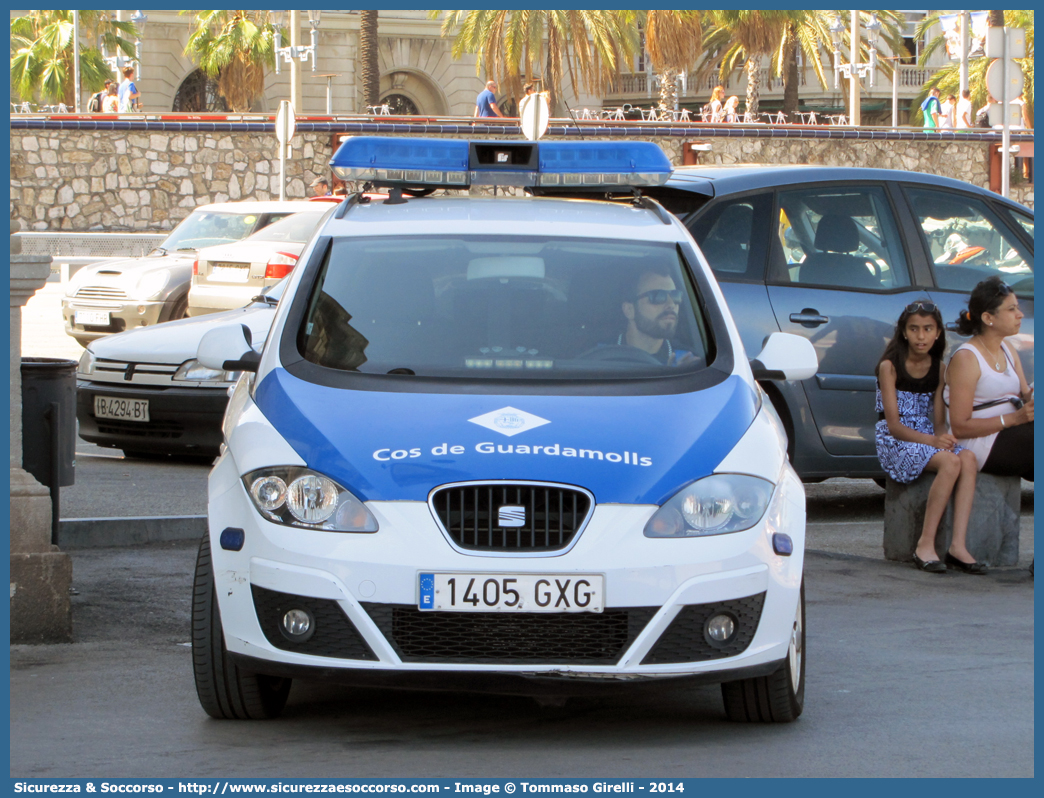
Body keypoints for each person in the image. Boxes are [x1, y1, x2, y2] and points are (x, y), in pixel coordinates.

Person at [875, 300, 979, 574]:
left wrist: (943, 438)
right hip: (896, 440)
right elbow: (894, 425)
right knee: (949, 462)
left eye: (928, 329)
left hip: (927, 436)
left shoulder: (940, 368)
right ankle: (925, 544)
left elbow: (938, 423)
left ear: (938, 333)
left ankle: (957, 545)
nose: (921, 336)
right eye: (914, 329)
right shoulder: (890, 366)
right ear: (904, 332)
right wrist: (935, 443)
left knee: (967, 458)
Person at [944, 276, 1034, 487]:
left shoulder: (1007, 348)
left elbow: (1024, 395)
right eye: (1011, 309)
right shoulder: (967, 358)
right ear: (988, 318)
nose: (1020, 315)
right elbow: (960, 427)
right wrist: (1013, 419)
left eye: (1018, 308)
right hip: (978, 442)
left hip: (1010, 433)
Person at [614, 269, 693, 366]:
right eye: (658, 296)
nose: (671, 304)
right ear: (629, 310)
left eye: (675, 295)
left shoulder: (687, 361)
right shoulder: (599, 356)